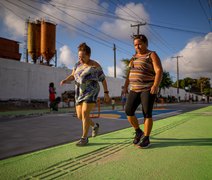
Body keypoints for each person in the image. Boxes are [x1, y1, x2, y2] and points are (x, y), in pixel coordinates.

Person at [60, 42, 110, 146]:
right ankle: (94, 125)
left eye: (83, 57)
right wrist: (65, 80)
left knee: (85, 113)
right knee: (80, 116)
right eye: (79, 57)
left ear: (88, 55)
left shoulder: (95, 66)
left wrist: (106, 93)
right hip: (79, 93)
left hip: (91, 92)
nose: (80, 59)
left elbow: (103, 80)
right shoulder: (77, 64)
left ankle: (84, 138)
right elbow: (73, 75)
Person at [123, 34, 163, 149]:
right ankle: (138, 131)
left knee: (147, 113)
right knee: (128, 111)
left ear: (146, 43)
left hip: (148, 88)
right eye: (135, 45)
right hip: (134, 89)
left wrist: (156, 85)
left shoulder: (152, 54)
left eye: (140, 44)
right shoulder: (133, 57)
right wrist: (125, 86)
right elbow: (129, 74)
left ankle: (146, 138)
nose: (138, 47)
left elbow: (159, 70)